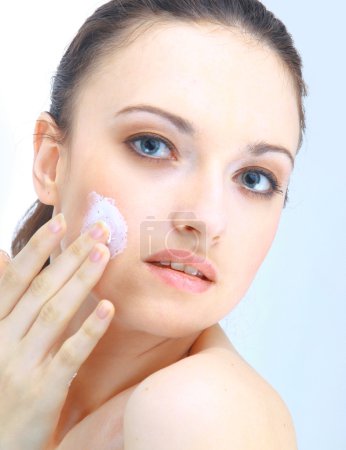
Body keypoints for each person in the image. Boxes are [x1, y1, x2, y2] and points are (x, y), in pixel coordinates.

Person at [0, 0, 307, 448]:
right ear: (52, 162)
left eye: (254, 179)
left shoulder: (198, 414)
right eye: (153, 145)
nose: (205, 218)